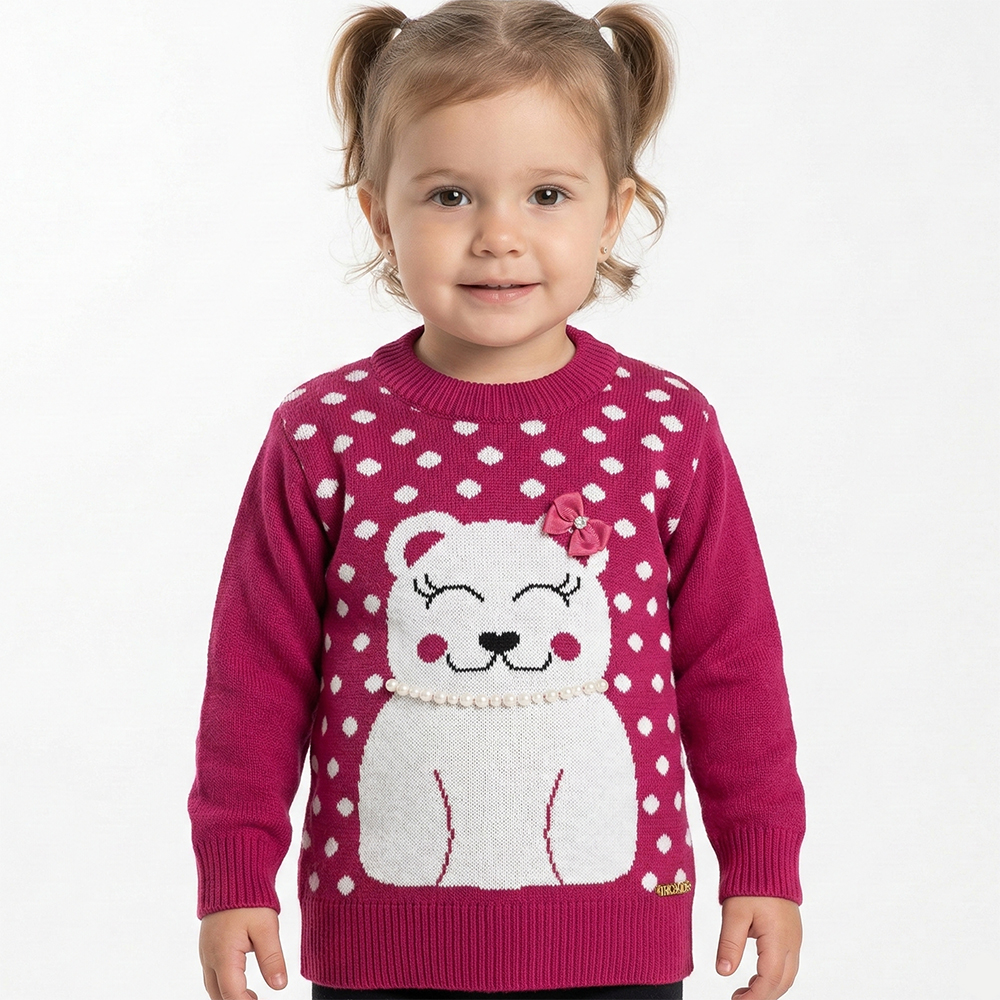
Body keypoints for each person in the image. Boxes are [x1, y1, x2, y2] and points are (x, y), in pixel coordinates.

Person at [189, 1, 806, 998]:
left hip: (616, 941)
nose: (498, 237)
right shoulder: (322, 434)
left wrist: (762, 862)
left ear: (612, 210)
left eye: (547, 194)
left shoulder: (666, 427)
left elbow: (732, 666)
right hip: (383, 947)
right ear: (379, 213)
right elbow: (254, 679)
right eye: (450, 196)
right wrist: (234, 876)